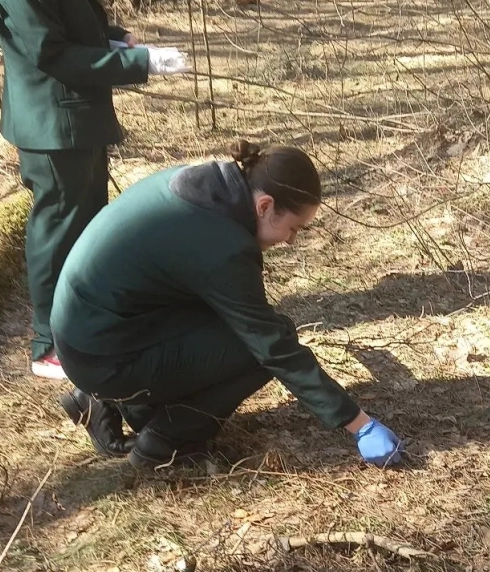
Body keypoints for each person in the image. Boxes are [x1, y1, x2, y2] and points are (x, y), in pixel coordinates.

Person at [50, 141, 406, 469]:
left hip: (89, 334)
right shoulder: (222, 245)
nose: (290, 241)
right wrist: (359, 424)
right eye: (294, 228)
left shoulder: (204, 186)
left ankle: (113, 403)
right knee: (261, 346)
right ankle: (165, 442)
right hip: (102, 355)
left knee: (231, 322)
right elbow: (272, 347)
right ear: (265, 206)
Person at [0, 0, 189, 379]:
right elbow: (51, 53)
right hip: (52, 123)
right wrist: (140, 62)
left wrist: (115, 39)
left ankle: (84, 325)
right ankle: (49, 344)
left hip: (78, 119)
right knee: (58, 230)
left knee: (87, 226)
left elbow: (67, 23)